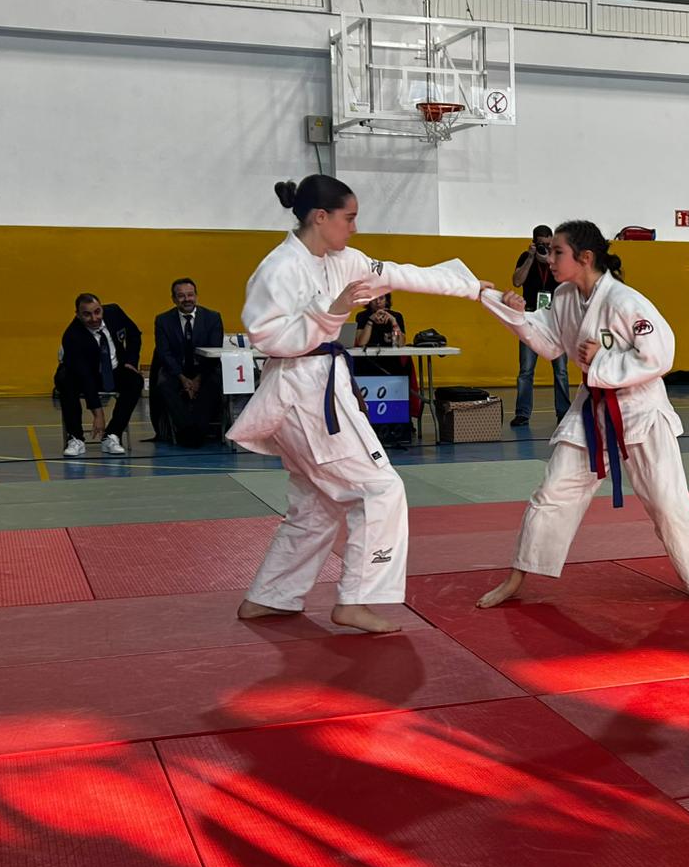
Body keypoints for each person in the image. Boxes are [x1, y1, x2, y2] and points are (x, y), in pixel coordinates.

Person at [230, 175, 491, 635]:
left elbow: (401, 273)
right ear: (320, 217)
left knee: (317, 502)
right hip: (301, 394)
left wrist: (471, 287)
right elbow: (267, 337)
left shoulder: (345, 260)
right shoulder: (279, 268)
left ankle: (270, 596)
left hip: (319, 389)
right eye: (348, 218)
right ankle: (358, 599)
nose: (354, 227)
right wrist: (332, 312)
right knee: (380, 490)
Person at [474, 221, 689, 607]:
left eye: (557, 252)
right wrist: (514, 312)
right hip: (592, 409)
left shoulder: (626, 302)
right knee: (551, 494)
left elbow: (660, 356)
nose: (549, 259)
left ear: (584, 258)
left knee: (668, 504)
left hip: (641, 410)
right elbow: (550, 343)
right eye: (549, 252)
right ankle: (516, 578)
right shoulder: (564, 296)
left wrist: (603, 361)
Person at [56, 294, 142, 457]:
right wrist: (98, 414)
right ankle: (76, 438)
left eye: (97, 312)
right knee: (65, 381)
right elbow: (85, 376)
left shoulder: (114, 312)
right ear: (78, 314)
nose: (94, 318)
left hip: (114, 369)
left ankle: (112, 434)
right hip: (84, 375)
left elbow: (134, 334)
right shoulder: (72, 336)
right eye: (87, 314)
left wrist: (131, 361)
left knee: (134, 380)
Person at [511, 225, 572, 428]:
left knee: (561, 370)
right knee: (526, 370)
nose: (545, 248)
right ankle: (522, 413)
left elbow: (569, 283)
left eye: (548, 244)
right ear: (534, 242)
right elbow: (517, 281)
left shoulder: (558, 258)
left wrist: (552, 262)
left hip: (555, 320)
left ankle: (563, 412)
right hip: (530, 319)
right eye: (541, 245)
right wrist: (530, 257)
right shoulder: (525, 256)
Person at [151, 277, 224, 447]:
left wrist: (198, 379)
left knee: (214, 383)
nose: (187, 300)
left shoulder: (212, 318)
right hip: (176, 371)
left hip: (205, 369)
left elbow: (214, 350)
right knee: (163, 384)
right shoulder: (163, 320)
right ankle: (186, 429)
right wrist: (183, 379)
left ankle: (199, 429)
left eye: (190, 295)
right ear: (174, 299)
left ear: (196, 296)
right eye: (181, 296)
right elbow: (164, 353)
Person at [353, 293, 416, 450]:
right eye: (374, 299)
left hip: (390, 364)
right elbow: (361, 343)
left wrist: (394, 323)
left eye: (381, 298)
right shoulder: (362, 316)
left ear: (387, 300)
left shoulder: (397, 316)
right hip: (368, 363)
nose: (378, 302)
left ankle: (400, 425)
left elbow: (401, 344)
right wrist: (370, 322)